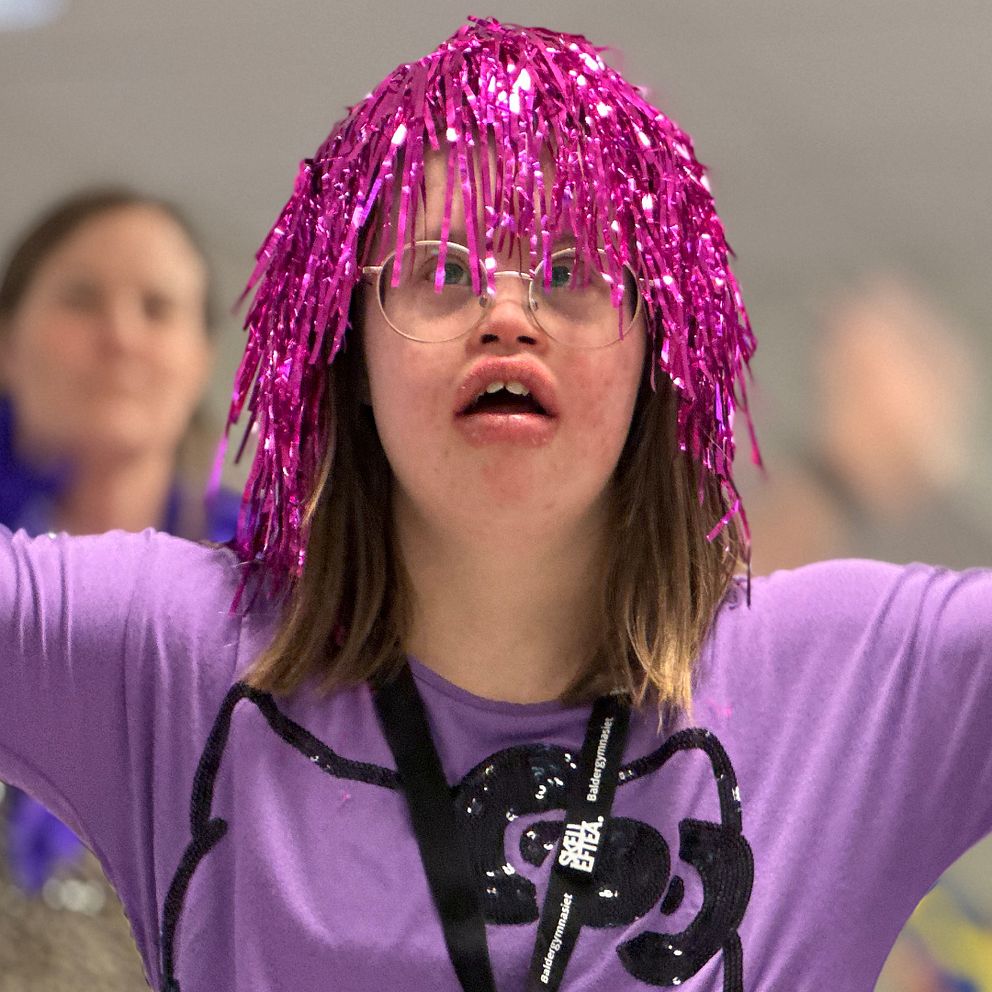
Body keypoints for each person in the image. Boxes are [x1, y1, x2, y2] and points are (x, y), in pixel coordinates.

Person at [0, 17, 989, 992]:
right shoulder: (171, 652)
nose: (507, 315)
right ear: (352, 354)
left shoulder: (857, 679)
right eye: (442, 270)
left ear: (655, 355)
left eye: (569, 271)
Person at [0, 188, 239, 990]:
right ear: (6, 342)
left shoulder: (280, 606)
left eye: (157, 308)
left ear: (200, 359)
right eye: (81, 299)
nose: (121, 335)